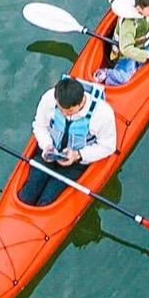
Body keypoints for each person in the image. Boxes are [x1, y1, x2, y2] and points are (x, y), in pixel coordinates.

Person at [23, 73, 115, 207]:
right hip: (49, 153)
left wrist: (77, 155)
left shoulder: (102, 114)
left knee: (47, 201)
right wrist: (46, 145)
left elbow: (108, 147)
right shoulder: (50, 98)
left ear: (81, 102)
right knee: (27, 194)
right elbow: (39, 126)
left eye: (69, 112)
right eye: (60, 110)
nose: (64, 114)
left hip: (76, 163)